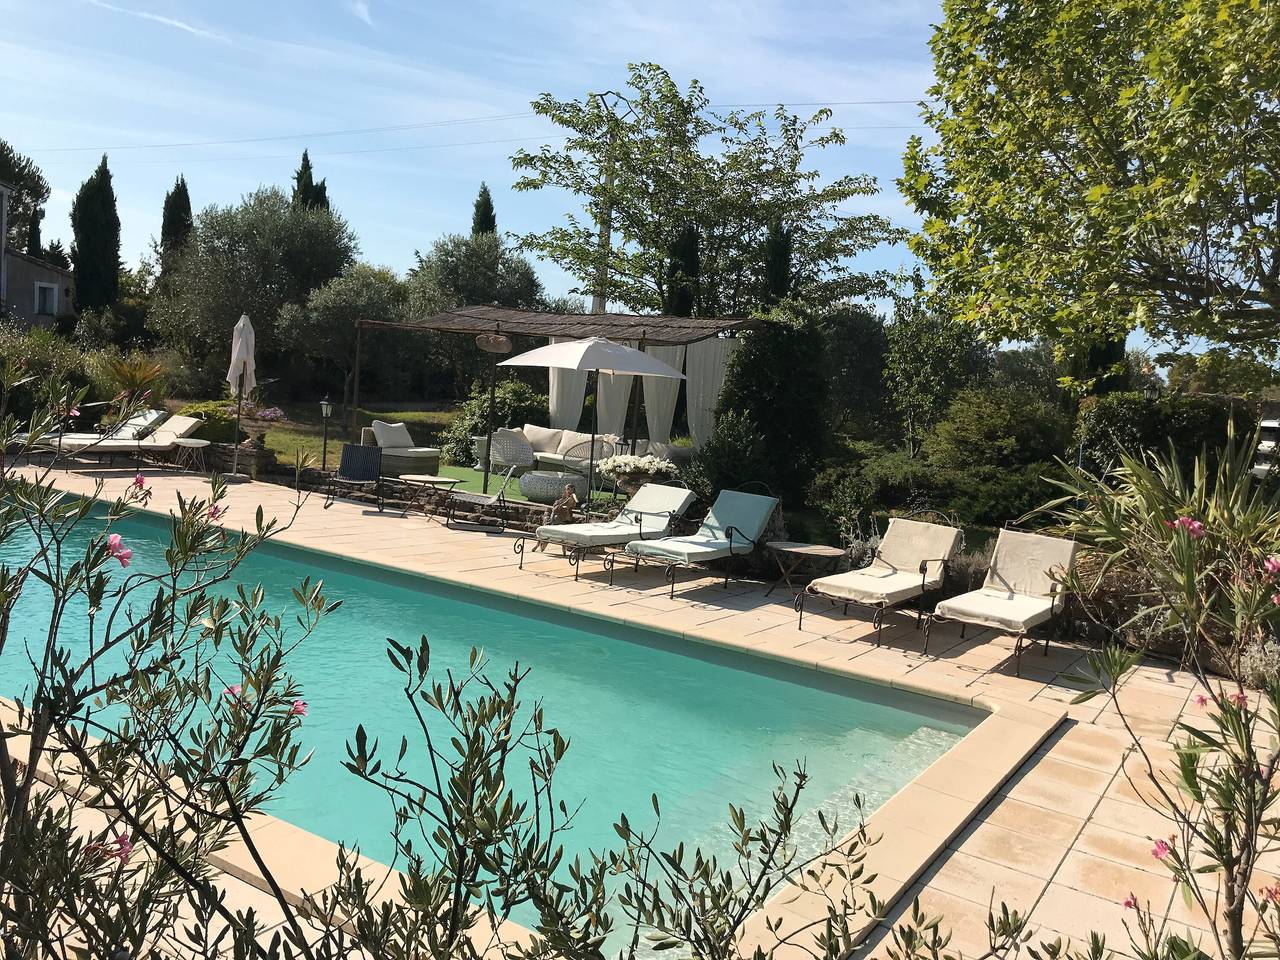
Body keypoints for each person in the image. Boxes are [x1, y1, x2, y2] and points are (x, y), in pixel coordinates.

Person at [533, 483, 580, 552]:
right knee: (544, 528)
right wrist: (558, 504)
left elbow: (574, 501)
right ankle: (538, 544)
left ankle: (541, 545)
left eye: (568, 489)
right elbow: (560, 502)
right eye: (566, 489)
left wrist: (562, 505)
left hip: (564, 519)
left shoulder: (572, 496)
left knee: (552, 527)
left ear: (572, 489)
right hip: (556, 517)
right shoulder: (565, 496)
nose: (567, 490)